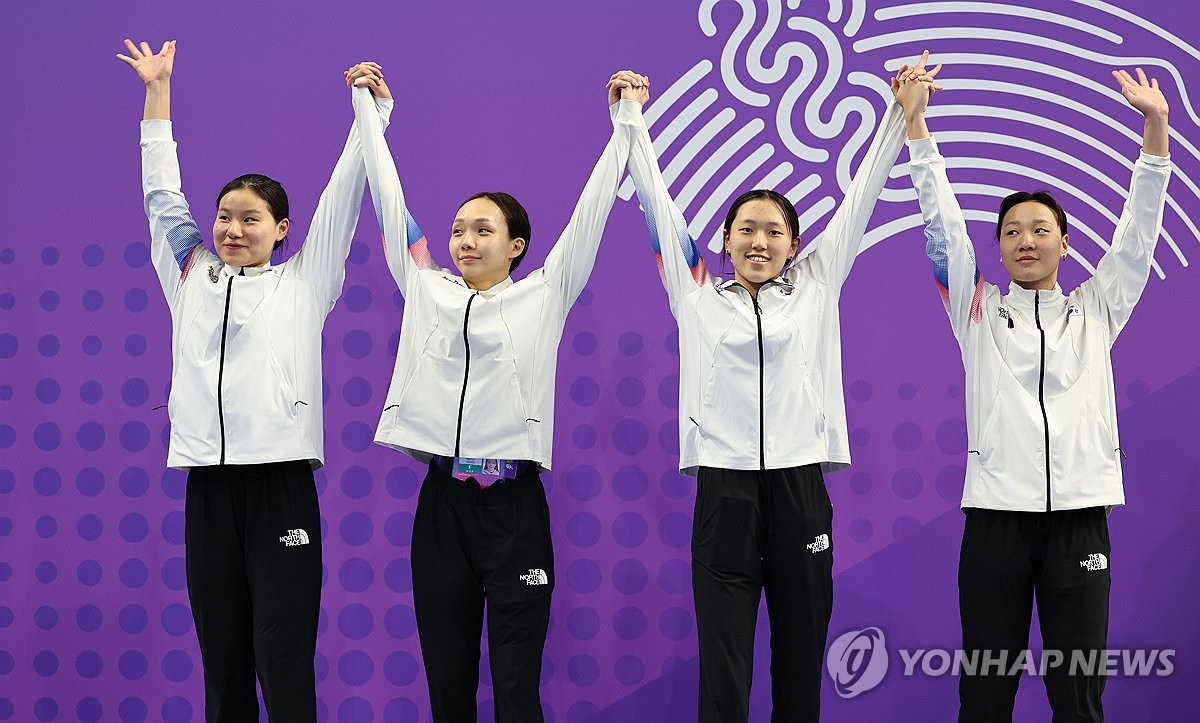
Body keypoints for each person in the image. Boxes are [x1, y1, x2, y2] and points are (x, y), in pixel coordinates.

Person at [623, 52, 938, 721]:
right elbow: (656, 202)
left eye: (773, 231)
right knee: (725, 677)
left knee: (799, 670)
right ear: (726, 241)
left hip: (799, 491)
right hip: (724, 494)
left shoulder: (817, 285)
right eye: (746, 230)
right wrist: (631, 123)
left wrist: (900, 112)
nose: (759, 241)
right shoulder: (698, 291)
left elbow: (861, 200)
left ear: (794, 244)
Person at [344, 63, 649, 722]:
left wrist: (625, 123)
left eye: (482, 230)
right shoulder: (426, 287)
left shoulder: (545, 293)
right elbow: (388, 204)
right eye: (458, 229)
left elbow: (592, 211)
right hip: (442, 507)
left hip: (514, 508)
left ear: (516, 246)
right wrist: (372, 112)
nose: (465, 240)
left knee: (516, 687)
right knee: (447, 685)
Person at [118, 40, 392, 722]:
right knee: (225, 661)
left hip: (280, 488)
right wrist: (158, 94)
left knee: (282, 652)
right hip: (208, 490)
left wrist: (373, 114)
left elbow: (344, 196)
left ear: (281, 230)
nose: (232, 229)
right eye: (225, 217)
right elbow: (161, 195)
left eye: (250, 219)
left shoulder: (306, 281)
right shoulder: (189, 274)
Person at [896, 62, 1171, 721]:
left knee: (1077, 697)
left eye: (1041, 229)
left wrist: (1156, 129)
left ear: (1066, 245)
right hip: (995, 523)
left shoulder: (1097, 309)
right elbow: (941, 223)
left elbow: (1137, 237)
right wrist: (915, 123)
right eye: (1012, 230)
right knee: (985, 694)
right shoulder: (977, 310)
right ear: (996, 248)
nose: (1026, 238)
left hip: (1081, 522)